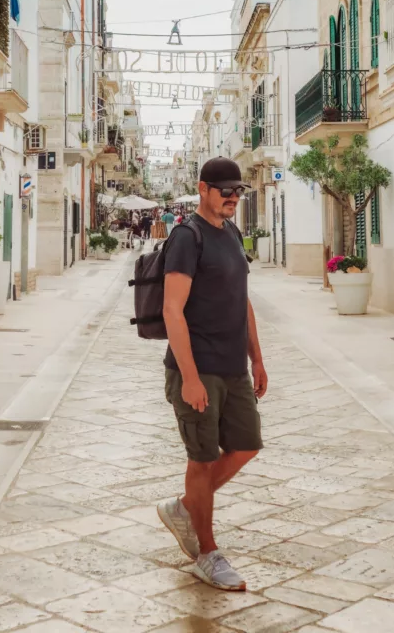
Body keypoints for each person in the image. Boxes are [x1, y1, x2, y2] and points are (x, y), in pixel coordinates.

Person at [157, 157, 267, 592]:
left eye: (238, 191)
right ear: (203, 189)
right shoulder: (188, 237)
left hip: (233, 367)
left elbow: (242, 299)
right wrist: (190, 376)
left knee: (245, 446)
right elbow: (172, 310)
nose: (234, 198)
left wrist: (256, 358)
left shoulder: (233, 233)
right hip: (197, 367)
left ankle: (185, 507)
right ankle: (206, 552)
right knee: (201, 460)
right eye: (226, 191)